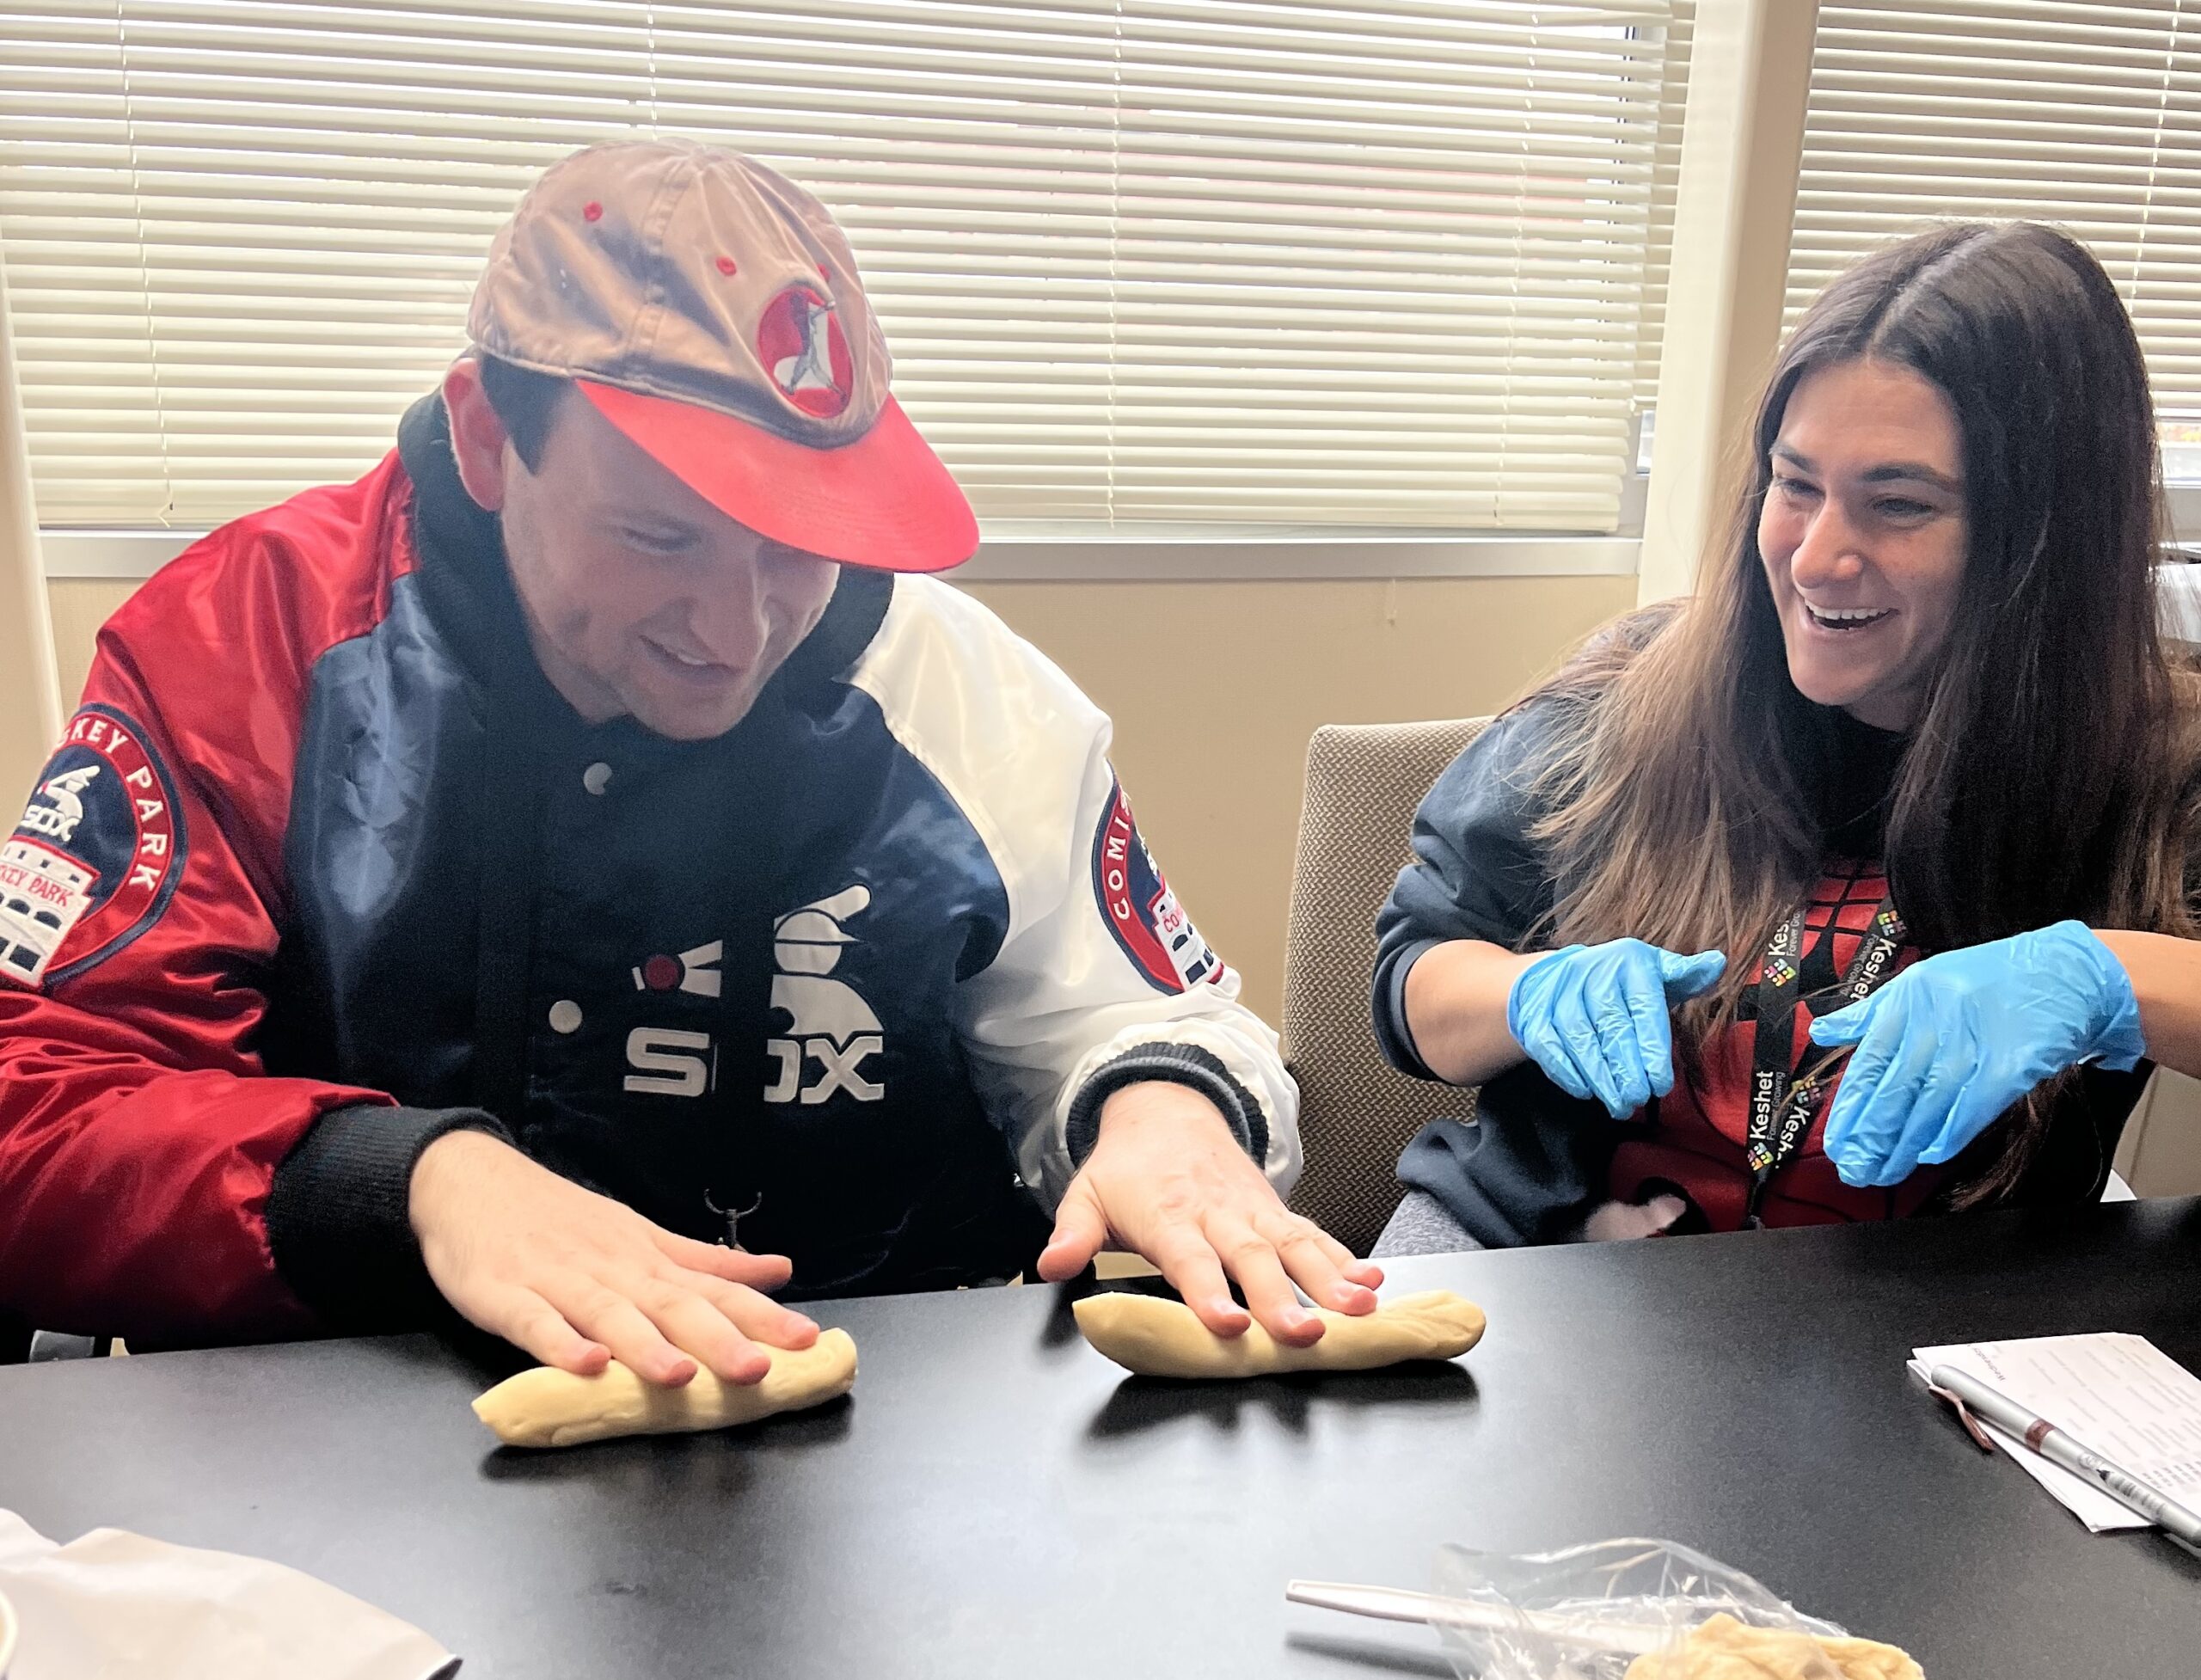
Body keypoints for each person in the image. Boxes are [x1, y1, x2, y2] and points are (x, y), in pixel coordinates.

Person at [0, 139, 1382, 1382]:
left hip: (875, 1435)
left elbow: (1141, 1012)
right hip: (372, 1428)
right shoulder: (246, 643)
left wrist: (1161, 1110)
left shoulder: (963, 686)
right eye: (659, 538)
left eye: (793, 541)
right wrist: (403, 1180)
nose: (737, 631)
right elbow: (39, 1098)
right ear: (488, 436)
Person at [1369, 221, 2201, 1255]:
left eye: (1896, 504)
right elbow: (1415, 984)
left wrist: (2116, 980)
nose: (1815, 559)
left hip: (1934, 1312)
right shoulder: (1625, 699)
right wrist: (1526, 993)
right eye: (1794, 484)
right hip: (1538, 1261)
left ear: (2042, 539)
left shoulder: (2158, 760)